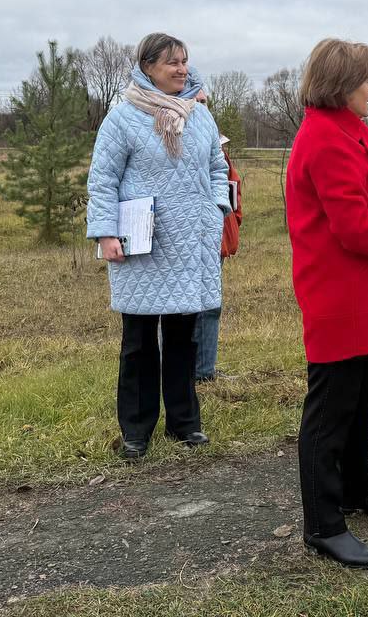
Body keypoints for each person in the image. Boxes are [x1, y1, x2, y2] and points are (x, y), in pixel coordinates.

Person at [286, 38, 368, 568]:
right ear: (342, 85)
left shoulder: (348, 127)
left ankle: (358, 487)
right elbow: (351, 225)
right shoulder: (324, 137)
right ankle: (323, 524)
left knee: (362, 395)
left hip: (361, 289)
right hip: (337, 291)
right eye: (367, 79)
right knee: (330, 409)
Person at [86, 33, 230, 460]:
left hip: (190, 242)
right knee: (139, 340)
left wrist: (216, 208)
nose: (182, 69)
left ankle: (184, 422)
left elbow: (217, 167)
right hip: (143, 243)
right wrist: (106, 233)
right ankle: (136, 429)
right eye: (172, 62)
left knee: (184, 337)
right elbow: (103, 179)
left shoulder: (200, 117)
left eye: (184, 61)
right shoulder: (122, 118)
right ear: (147, 67)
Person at [192, 134, 243, 382]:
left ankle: (205, 371)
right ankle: (179, 372)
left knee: (211, 307)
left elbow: (233, 188)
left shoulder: (219, 154)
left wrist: (233, 221)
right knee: (181, 311)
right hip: (189, 239)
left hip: (216, 240)